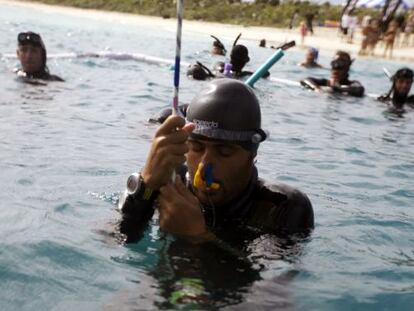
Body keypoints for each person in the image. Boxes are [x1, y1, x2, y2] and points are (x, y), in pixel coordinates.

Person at [118, 78, 314, 244]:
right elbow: (114, 240)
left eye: (224, 151)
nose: (204, 167)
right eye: (196, 148)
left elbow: (265, 287)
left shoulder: (279, 207)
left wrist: (197, 237)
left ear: (252, 154)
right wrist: (145, 186)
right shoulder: (172, 181)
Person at [300, 51, 364, 97]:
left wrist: (336, 88)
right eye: (334, 64)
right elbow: (305, 80)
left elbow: (359, 90)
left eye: (340, 64)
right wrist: (317, 89)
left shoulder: (352, 84)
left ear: (347, 68)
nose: (336, 69)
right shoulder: (326, 82)